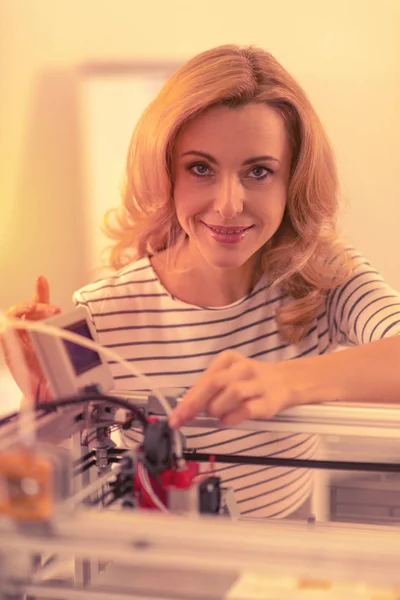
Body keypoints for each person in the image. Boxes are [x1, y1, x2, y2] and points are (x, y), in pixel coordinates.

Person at [4, 44, 400, 520]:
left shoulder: (320, 277)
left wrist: (285, 381)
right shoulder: (104, 313)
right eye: (200, 168)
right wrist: (40, 399)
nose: (229, 204)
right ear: (165, 173)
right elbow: (58, 483)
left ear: (291, 180)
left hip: (283, 570)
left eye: (258, 171)